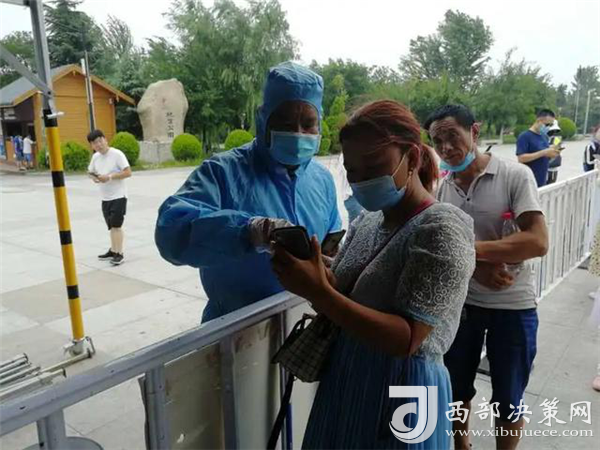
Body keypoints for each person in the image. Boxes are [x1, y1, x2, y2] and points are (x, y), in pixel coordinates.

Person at [271, 100, 475, 449]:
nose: (362, 180)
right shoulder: (369, 221)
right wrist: (313, 271)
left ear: (412, 158)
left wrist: (318, 292)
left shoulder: (441, 228)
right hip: (348, 376)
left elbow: (407, 339)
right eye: (352, 171)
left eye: (374, 167)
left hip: (406, 390)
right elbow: (347, 293)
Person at [155, 62, 341, 323]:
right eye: (286, 122)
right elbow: (170, 232)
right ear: (263, 120)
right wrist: (249, 231)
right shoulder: (222, 172)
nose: (298, 134)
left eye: (308, 124)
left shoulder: (321, 179)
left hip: (304, 319)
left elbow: (331, 236)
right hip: (235, 326)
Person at [425, 104, 549, 450]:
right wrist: (477, 263)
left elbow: (537, 241)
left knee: (509, 396)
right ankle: (460, 446)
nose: (446, 148)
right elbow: (438, 246)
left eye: (453, 136)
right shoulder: (443, 190)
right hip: (461, 305)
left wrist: (472, 252)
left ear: (474, 132)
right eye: (438, 141)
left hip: (513, 305)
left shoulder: (514, 176)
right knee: (456, 387)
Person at [87, 129, 132, 266]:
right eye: (94, 143)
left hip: (119, 196)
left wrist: (110, 177)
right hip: (105, 198)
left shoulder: (117, 154)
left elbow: (128, 172)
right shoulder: (95, 157)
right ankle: (113, 250)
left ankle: (119, 253)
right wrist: (94, 178)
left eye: (100, 141)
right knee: (111, 226)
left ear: (105, 139)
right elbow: (90, 172)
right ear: (92, 145)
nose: (98, 145)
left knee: (116, 226)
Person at [516, 109, 561, 187]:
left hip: (542, 180)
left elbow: (545, 155)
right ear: (539, 120)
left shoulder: (544, 137)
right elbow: (521, 158)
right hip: (528, 181)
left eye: (551, 125)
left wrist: (553, 152)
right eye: (547, 124)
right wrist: (544, 152)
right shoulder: (525, 136)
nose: (548, 127)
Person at [545, 120, 563, 185]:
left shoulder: (557, 139)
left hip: (552, 168)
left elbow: (556, 150)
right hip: (543, 168)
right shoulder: (542, 138)